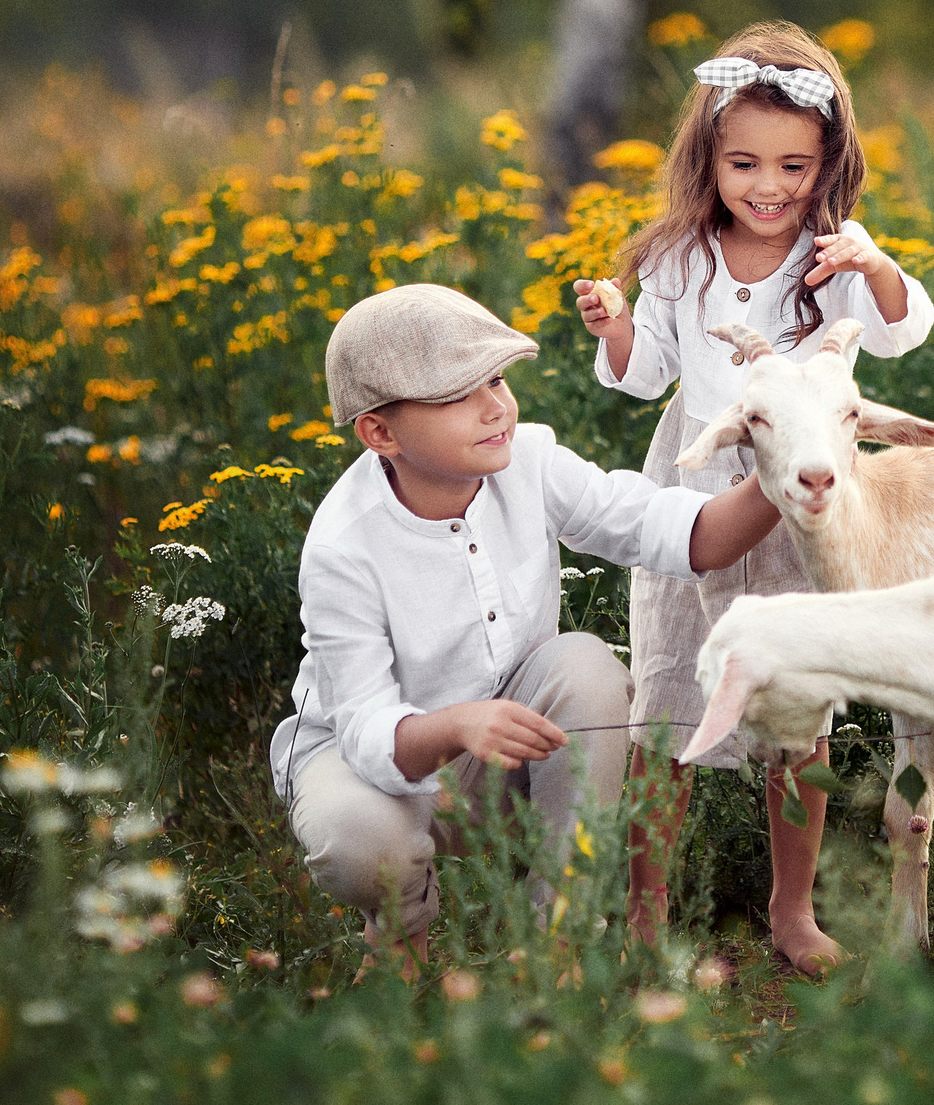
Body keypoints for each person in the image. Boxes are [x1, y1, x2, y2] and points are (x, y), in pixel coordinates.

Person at [268, 282, 781, 964]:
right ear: (380, 432)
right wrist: (455, 724)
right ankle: (400, 936)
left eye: (498, 379)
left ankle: (557, 938)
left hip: (500, 749)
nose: (494, 407)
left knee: (588, 668)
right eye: (458, 395)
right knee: (361, 844)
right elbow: (364, 730)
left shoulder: (530, 461)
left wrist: (788, 470)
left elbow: (676, 532)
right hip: (374, 763)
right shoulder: (343, 547)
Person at [575, 20, 934, 974]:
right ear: (709, 160)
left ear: (828, 166)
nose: (768, 187)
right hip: (691, 498)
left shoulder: (834, 262)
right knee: (664, 704)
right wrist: (615, 328)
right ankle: (646, 920)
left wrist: (877, 267)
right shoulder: (677, 259)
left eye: (793, 166)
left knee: (793, 710)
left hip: (798, 501)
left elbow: (903, 335)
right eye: (745, 164)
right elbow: (648, 373)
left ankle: (791, 910)